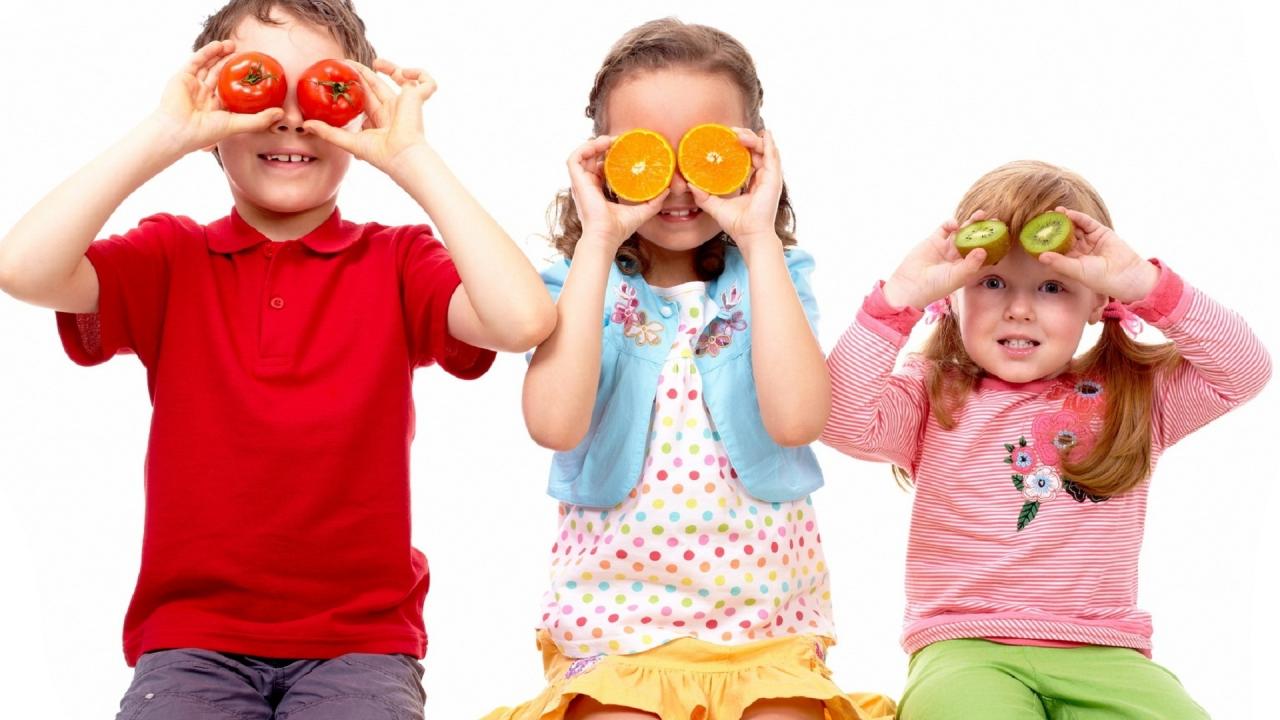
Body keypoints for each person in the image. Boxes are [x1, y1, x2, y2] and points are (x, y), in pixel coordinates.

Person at [0, 1, 554, 717]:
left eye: (321, 90)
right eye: (258, 87)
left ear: (359, 108)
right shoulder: (170, 255)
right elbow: (22, 268)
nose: (290, 117)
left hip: (361, 643)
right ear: (213, 110)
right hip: (191, 639)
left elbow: (522, 319)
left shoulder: (397, 260)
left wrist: (410, 156)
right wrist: (165, 132)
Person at [486, 18, 894, 720]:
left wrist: (758, 236)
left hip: (767, 627)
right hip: (615, 628)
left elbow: (799, 419)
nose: (678, 185)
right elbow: (554, 424)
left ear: (754, 155)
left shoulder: (775, 275)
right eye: (648, 154)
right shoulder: (574, 284)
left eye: (706, 153)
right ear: (602, 160)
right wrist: (598, 238)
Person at [820, 159, 1271, 718]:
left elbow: (1245, 369)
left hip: (1107, 653)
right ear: (952, 295)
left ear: (1099, 301)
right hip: (965, 648)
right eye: (991, 282)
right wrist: (897, 301)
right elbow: (836, 417)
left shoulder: (1134, 394)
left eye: (1052, 286)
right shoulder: (932, 392)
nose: (1019, 308)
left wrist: (1146, 286)